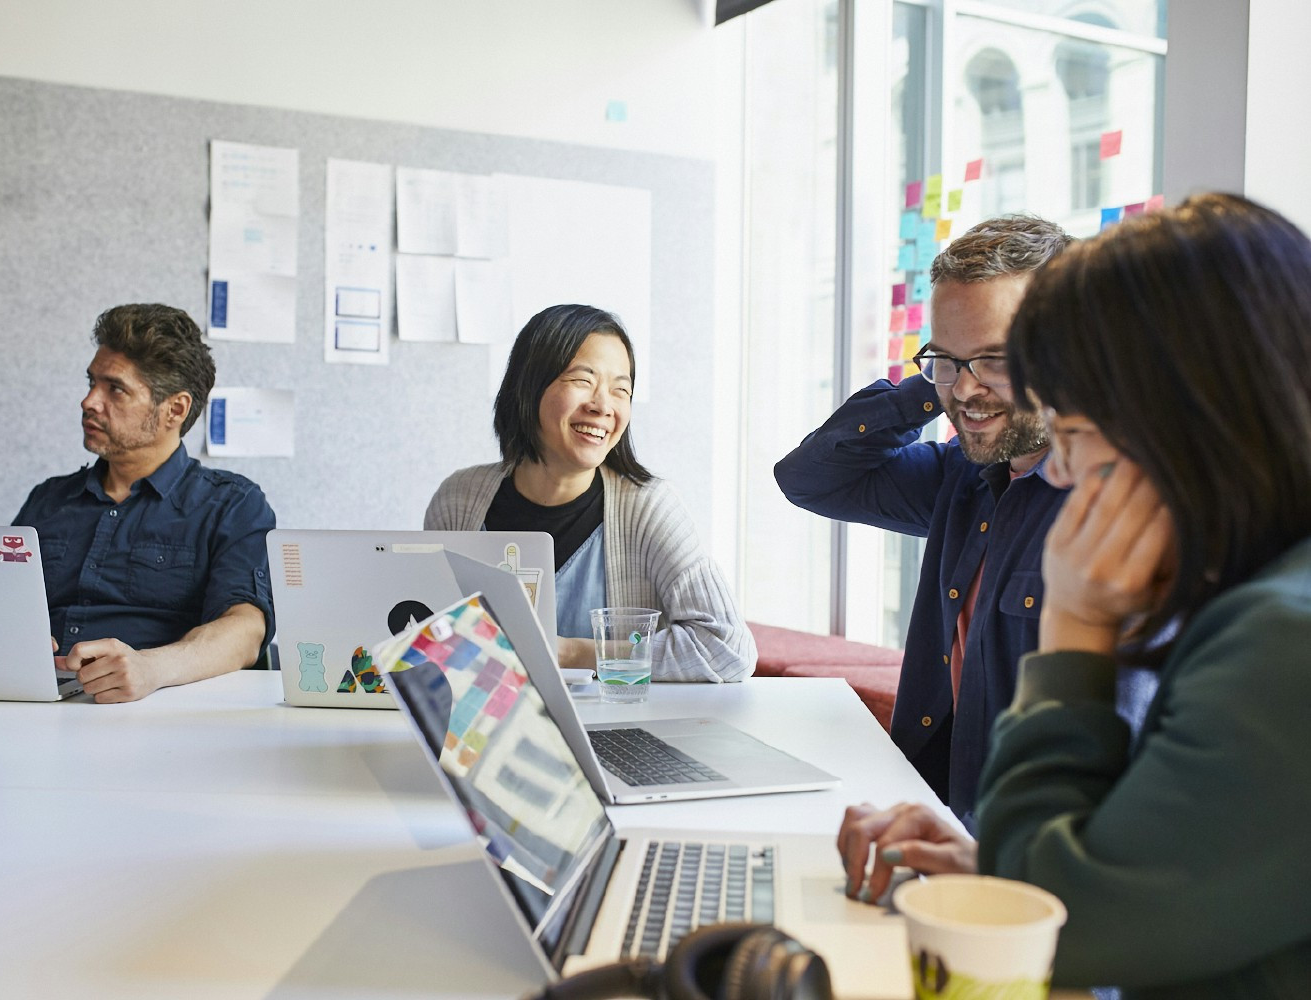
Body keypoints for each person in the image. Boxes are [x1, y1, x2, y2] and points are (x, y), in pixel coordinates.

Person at [840, 193, 1311, 996]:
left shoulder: (1279, 642)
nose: (1058, 470)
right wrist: (995, 861)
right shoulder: (1261, 593)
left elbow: (1061, 924)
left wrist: (1076, 629)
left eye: (1077, 433)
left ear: (1186, 421)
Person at [774, 216, 1073, 826]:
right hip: (934, 825)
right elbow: (809, 479)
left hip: (1031, 865)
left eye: (993, 358)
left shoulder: (1113, 510)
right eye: (945, 358)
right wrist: (927, 390)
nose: (965, 390)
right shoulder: (962, 478)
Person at [425, 303, 754, 682]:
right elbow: (434, 642)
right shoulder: (458, 501)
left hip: (620, 733)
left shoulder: (649, 508)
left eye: (621, 389)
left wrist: (570, 652)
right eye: (583, 381)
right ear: (528, 387)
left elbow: (728, 648)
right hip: (487, 730)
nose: (603, 406)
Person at [15, 303, 276, 703]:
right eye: (91, 382)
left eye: (114, 389)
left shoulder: (233, 504)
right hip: (30, 704)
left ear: (175, 409)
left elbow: (245, 631)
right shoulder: (48, 500)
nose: (89, 401)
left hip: (155, 710)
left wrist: (151, 668)